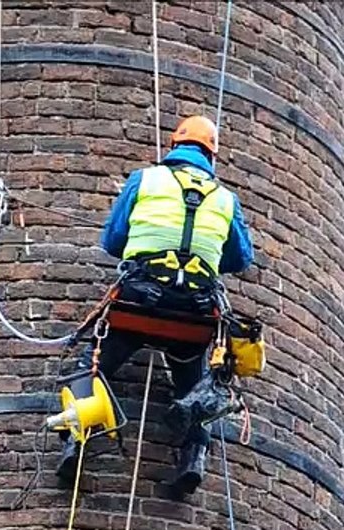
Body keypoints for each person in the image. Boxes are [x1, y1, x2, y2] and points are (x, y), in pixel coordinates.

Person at [56, 115, 254, 498]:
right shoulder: (226, 199)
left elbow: (114, 240)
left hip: (139, 300)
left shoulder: (144, 180)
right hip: (193, 310)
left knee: (91, 366)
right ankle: (192, 460)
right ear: (212, 155)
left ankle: (74, 443)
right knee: (196, 384)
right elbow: (241, 258)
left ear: (174, 145)